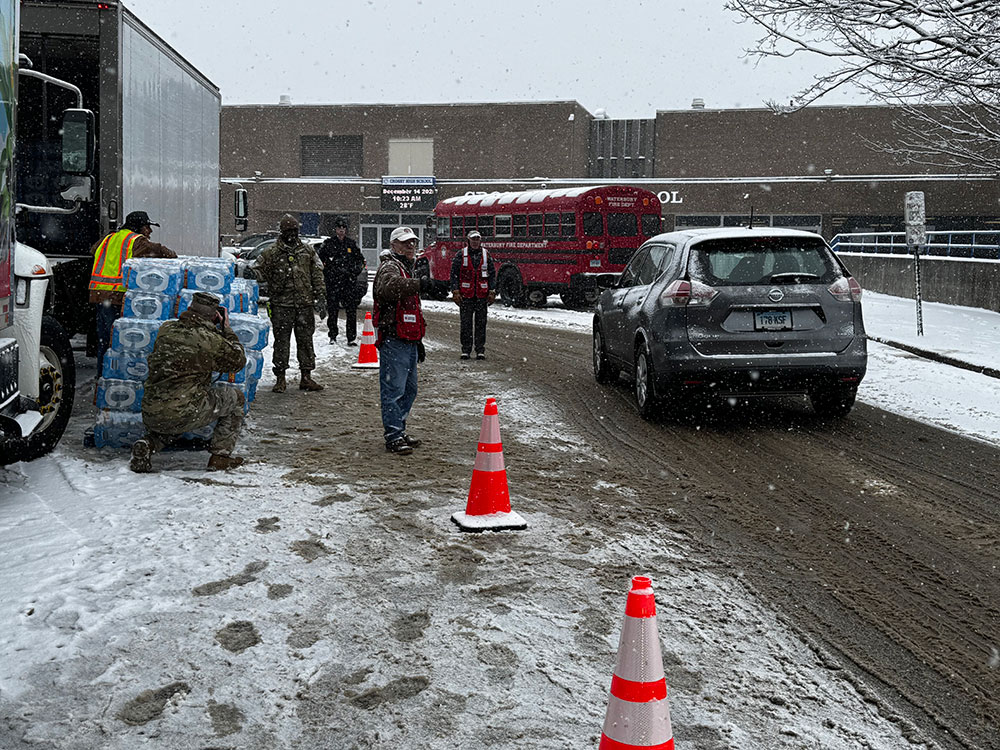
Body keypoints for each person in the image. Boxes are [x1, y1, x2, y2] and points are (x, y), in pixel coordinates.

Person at [130, 292, 248, 473]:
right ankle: (220, 457)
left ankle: (149, 444)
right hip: (184, 409)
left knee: (171, 419)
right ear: (215, 316)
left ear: (188, 309)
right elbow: (238, 362)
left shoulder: (166, 329)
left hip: (152, 409)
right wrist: (226, 330)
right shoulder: (210, 340)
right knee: (236, 399)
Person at [89, 210, 178, 370]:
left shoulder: (108, 238)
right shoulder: (136, 241)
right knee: (117, 340)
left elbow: (93, 250)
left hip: (98, 294)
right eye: (147, 227)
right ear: (139, 227)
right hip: (116, 296)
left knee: (104, 339)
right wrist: (173, 256)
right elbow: (159, 250)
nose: (149, 231)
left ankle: (102, 374)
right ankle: (115, 372)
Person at [373, 227, 433, 455]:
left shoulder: (406, 268)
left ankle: (399, 429)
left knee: (409, 390)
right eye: (405, 243)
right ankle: (393, 435)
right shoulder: (390, 267)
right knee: (394, 389)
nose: (410, 246)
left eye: (413, 243)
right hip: (394, 339)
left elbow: (413, 309)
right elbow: (388, 288)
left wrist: (418, 340)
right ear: (393, 245)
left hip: (407, 339)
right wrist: (420, 284)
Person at [251, 214, 327, 393]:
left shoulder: (307, 251)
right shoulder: (272, 252)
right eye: (288, 231)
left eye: (295, 231)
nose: (292, 234)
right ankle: (280, 378)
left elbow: (317, 274)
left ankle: (306, 377)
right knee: (281, 343)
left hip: (304, 304)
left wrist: (321, 296)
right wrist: (257, 276)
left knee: (306, 341)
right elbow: (256, 269)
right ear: (282, 232)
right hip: (281, 305)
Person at [316, 216, 365, 345]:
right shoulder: (329, 244)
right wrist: (329, 271)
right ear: (336, 229)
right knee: (333, 310)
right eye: (339, 228)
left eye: (343, 228)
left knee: (351, 311)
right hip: (333, 283)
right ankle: (333, 335)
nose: (341, 230)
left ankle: (351, 337)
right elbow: (319, 260)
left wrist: (354, 272)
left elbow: (360, 260)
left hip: (348, 283)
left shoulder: (351, 244)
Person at [449, 230, 496, 360]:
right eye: (473, 239)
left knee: (481, 324)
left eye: (477, 239)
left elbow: (492, 274)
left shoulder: (486, 255)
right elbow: (454, 274)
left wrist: (492, 290)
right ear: (468, 240)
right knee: (466, 324)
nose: (475, 242)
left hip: (482, 295)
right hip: (466, 296)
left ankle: (480, 350)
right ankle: (466, 350)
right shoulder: (461, 254)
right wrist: (455, 290)